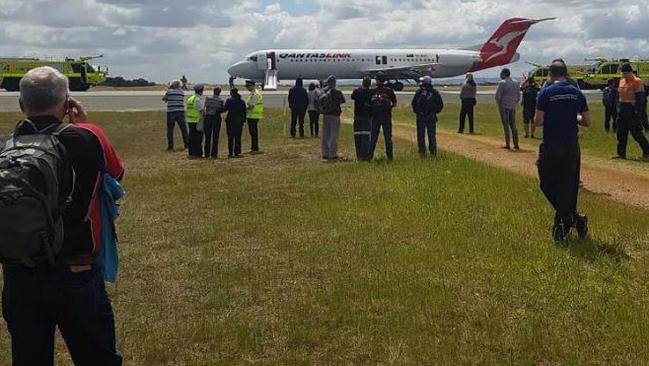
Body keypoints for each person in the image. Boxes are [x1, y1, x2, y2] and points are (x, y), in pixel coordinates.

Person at [2, 66, 124, 364]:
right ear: (66, 101)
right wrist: (83, 124)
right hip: (76, 273)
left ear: (22, 104)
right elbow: (117, 173)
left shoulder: (5, 146)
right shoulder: (87, 137)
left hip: (20, 273)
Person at [534, 60, 591, 241]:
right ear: (566, 74)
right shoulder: (576, 93)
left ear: (550, 75)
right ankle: (573, 219)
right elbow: (586, 121)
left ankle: (564, 224)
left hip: (552, 144)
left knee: (547, 183)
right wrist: (573, 116)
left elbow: (538, 120)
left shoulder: (546, 92)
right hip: (571, 146)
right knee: (568, 184)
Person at [615, 64, 649, 160]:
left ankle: (647, 152)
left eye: (625, 73)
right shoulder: (621, 81)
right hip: (622, 108)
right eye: (622, 73)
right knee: (621, 132)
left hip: (632, 109)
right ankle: (621, 154)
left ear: (630, 72)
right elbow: (618, 95)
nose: (623, 75)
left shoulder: (637, 81)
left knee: (636, 133)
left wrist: (637, 111)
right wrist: (618, 107)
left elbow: (640, 98)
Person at [411, 76, 444, 156]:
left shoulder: (419, 92)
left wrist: (418, 112)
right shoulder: (434, 92)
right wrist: (434, 112)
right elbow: (440, 104)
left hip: (421, 116)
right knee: (432, 134)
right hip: (431, 116)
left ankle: (422, 151)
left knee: (421, 134)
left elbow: (413, 103)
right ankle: (433, 151)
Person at [368, 72, 397, 160]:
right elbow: (395, 103)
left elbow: (368, 103)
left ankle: (369, 156)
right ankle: (390, 156)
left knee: (373, 137)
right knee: (388, 137)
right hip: (386, 116)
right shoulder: (389, 90)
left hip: (375, 116)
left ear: (376, 80)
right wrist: (389, 108)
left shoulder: (372, 90)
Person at [319, 75, 346, 160]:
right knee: (334, 135)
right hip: (334, 115)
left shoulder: (324, 92)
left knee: (325, 134)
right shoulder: (337, 92)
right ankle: (332, 153)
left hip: (326, 114)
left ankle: (325, 152)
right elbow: (343, 100)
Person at [495, 68, 521, 150]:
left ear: (504, 74)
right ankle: (516, 144)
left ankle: (507, 144)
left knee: (506, 124)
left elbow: (498, 96)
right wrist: (514, 103)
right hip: (512, 105)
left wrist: (499, 103)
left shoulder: (502, 83)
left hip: (504, 105)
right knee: (513, 124)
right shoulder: (516, 82)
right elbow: (518, 95)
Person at [350, 77, 373, 161]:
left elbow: (352, 97)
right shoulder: (371, 92)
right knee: (366, 136)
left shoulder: (357, 91)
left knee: (358, 136)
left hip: (358, 116)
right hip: (368, 116)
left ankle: (359, 155)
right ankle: (366, 154)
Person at [162, 79, 188, 151]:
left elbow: (164, 99)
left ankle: (170, 146)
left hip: (171, 112)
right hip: (180, 111)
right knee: (183, 129)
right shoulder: (182, 92)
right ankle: (187, 144)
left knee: (170, 130)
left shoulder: (169, 92)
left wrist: (169, 89)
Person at [223, 88, 247, 158]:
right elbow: (244, 112)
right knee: (238, 137)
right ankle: (237, 152)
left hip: (230, 121)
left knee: (230, 137)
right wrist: (243, 120)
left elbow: (225, 109)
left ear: (231, 93)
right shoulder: (242, 102)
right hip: (239, 121)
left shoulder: (229, 100)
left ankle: (230, 152)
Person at [203, 86, 225, 159]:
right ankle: (214, 154)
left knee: (207, 137)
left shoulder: (208, 98)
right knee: (215, 137)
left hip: (208, 117)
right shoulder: (221, 100)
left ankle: (206, 154)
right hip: (216, 118)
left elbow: (205, 106)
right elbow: (221, 109)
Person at [185, 84, 205, 158]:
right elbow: (201, 110)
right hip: (197, 120)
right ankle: (198, 153)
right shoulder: (198, 99)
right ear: (201, 91)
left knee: (191, 137)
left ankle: (191, 152)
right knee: (198, 138)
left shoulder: (190, 98)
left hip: (190, 120)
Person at [244, 80, 263, 154]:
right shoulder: (252, 94)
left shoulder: (255, 94)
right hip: (252, 115)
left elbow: (251, 106)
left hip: (253, 115)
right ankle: (253, 148)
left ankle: (255, 148)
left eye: (248, 86)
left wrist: (244, 109)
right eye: (246, 86)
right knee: (252, 133)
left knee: (253, 133)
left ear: (253, 86)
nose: (247, 88)